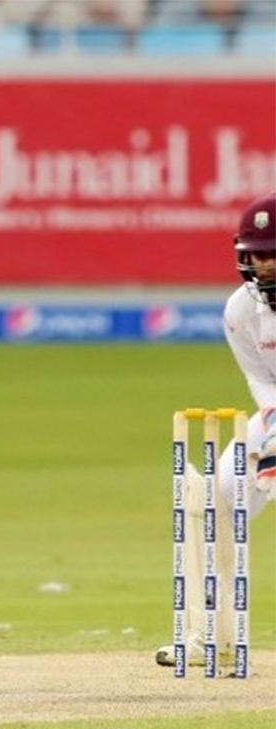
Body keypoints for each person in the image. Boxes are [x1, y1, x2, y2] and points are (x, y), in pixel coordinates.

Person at [155, 191, 276, 668]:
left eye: (273, 255)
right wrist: (270, 431)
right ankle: (208, 631)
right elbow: (262, 379)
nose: (264, 266)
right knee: (220, 494)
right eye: (257, 255)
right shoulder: (240, 311)